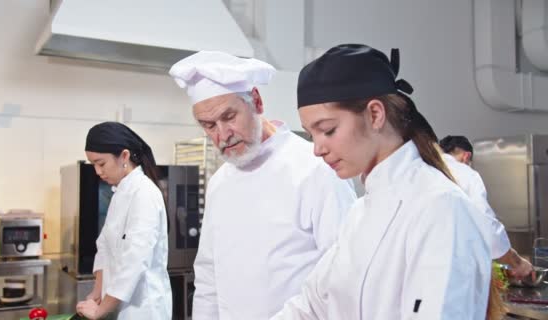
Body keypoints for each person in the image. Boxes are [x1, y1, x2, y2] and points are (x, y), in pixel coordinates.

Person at [272, 44, 492, 319]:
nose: (317, 148)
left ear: (375, 114)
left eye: (327, 130)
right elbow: (310, 306)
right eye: (311, 134)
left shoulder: (440, 209)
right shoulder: (359, 214)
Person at [169, 51, 358, 319]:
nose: (222, 135)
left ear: (256, 101)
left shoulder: (315, 168)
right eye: (209, 125)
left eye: (229, 117)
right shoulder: (220, 183)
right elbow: (209, 277)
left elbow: (343, 275)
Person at [76, 122, 172, 319]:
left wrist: (102, 310)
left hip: (144, 309)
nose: (97, 171)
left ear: (125, 156)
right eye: (93, 164)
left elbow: (134, 261)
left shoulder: (144, 193)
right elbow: (104, 247)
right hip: (120, 306)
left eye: (101, 163)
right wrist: (97, 292)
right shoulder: (120, 193)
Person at [439, 135, 533, 278]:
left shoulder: (424, 171)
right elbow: (486, 225)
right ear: (466, 156)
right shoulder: (466, 174)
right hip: (454, 268)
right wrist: (517, 262)